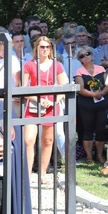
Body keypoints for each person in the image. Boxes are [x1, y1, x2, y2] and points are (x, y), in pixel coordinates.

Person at [23, 36, 68, 184]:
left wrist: (54, 101)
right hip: (34, 105)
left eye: (47, 47)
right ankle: (27, 175)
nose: (45, 49)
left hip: (51, 105)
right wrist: (39, 100)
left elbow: (64, 87)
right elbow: (23, 89)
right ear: (36, 49)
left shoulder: (57, 65)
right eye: (42, 47)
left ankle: (42, 174)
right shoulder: (29, 65)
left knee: (48, 140)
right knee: (29, 140)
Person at [75, 45, 108, 164]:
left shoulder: (101, 69)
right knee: (87, 130)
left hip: (101, 104)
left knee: (101, 129)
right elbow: (80, 89)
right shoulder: (79, 72)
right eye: (82, 56)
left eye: (88, 54)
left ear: (92, 55)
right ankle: (89, 156)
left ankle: (100, 155)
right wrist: (93, 95)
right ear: (79, 59)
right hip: (86, 105)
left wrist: (102, 92)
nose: (86, 57)